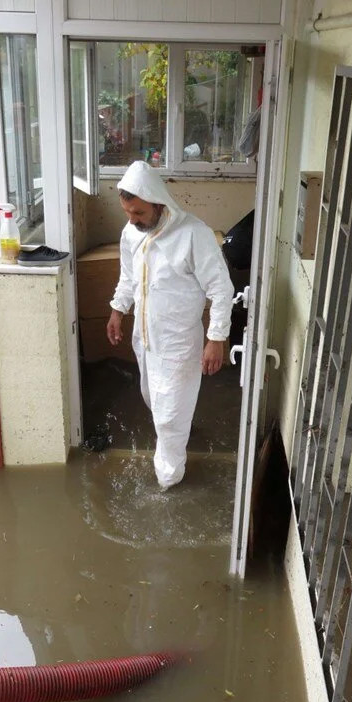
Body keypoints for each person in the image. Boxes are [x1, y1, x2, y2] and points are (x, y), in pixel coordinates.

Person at [106, 161, 234, 489]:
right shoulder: (131, 234)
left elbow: (221, 288)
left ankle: (168, 483)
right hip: (145, 337)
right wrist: (118, 310)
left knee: (168, 416)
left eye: (138, 213)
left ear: (158, 203)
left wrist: (216, 337)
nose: (132, 221)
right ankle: (177, 438)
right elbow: (128, 276)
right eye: (127, 213)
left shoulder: (194, 235)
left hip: (179, 342)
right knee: (153, 398)